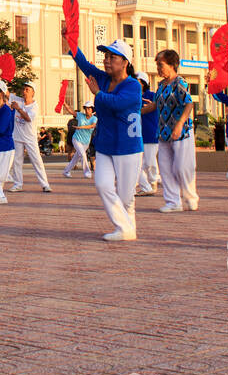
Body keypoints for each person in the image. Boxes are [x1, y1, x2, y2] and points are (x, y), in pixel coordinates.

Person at [69, 38, 144, 242]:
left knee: (127, 198)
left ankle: (128, 229)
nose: (107, 61)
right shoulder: (101, 79)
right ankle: (125, 228)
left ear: (125, 62)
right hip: (104, 145)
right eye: (106, 56)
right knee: (103, 185)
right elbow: (83, 63)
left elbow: (117, 104)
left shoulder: (133, 86)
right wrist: (70, 39)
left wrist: (97, 94)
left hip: (128, 147)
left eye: (112, 57)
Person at [153, 49, 198, 213]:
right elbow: (155, 105)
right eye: (157, 65)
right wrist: (137, 110)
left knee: (182, 167)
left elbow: (189, 103)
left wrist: (179, 124)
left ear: (172, 65)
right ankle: (173, 201)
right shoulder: (160, 85)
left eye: (161, 65)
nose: (158, 68)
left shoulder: (180, 83)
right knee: (165, 167)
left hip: (181, 132)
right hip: (163, 132)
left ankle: (190, 197)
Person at [8, 82, 52, 193]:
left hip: (30, 138)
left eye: (27, 89)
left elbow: (27, 118)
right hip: (17, 137)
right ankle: (18, 184)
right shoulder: (18, 100)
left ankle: (45, 184)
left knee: (37, 161)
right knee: (17, 161)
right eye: (24, 89)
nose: (24, 91)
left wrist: (18, 109)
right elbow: (6, 93)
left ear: (33, 92)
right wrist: (1, 78)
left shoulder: (34, 106)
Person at [135, 75, 161, 196]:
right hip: (137, 134)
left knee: (149, 161)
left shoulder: (151, 95)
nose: (136, 83)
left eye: (139, 81)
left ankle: (152, 182)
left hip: (150, 132)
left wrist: (152, 105)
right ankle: (148, 184)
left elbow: (160, 107)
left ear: (144, 83)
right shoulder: (134, 96)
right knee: (138, 163)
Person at [63, 102, 96, 177]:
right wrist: (65, 104)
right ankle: (87, 172)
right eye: (86, 108)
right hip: (76, 139)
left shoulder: (94, 118)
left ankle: (66, 171)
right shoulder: (80, 115)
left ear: (92, 109)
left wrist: (81, 127)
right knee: (83, 155)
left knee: (76, 158)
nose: (87, 110)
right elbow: (71, 111)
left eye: (89, 108)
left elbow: (92, 126)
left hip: (86, 142)